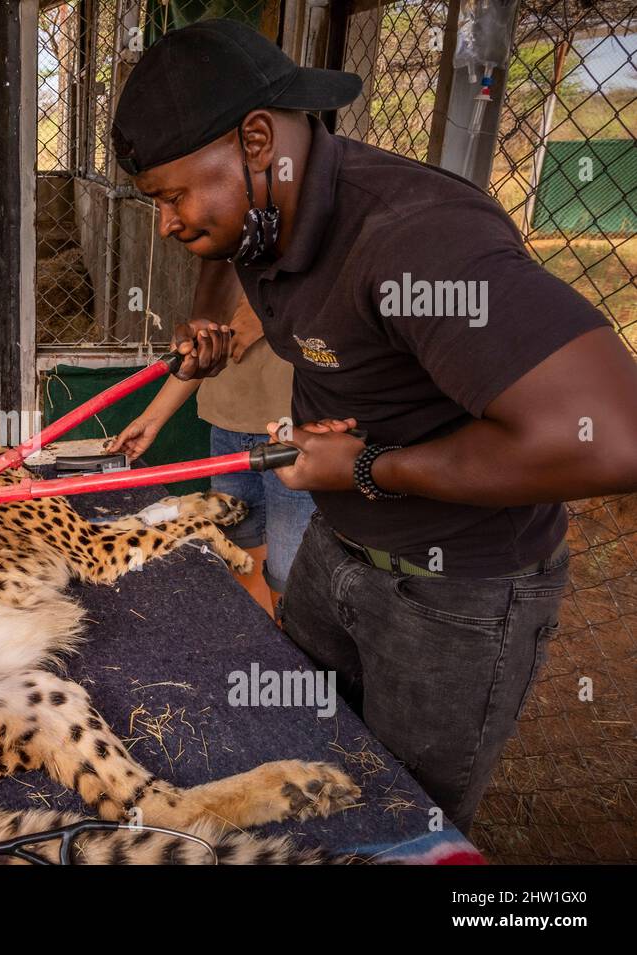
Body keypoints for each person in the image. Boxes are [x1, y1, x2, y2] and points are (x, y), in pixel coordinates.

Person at [111, 19, 637, 834]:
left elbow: (610, 438)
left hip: (456, 595)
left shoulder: (416, 240)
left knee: (399, 822)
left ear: (258, 140)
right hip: (339, 550)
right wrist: (208, 326)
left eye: (175, 196)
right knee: (302, 747)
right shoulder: (265, 212)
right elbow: (226, 258)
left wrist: (367, 468)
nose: (169, 223)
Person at [111, 259, 314, 620]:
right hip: (228, 428)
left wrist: (266, 315)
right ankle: (257, 640)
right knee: (238, 548)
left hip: (294, 438)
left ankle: (293, 665)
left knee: (290, 570)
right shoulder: (225, 266)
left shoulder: (315, 256)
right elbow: (198, 359)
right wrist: (151, 419)